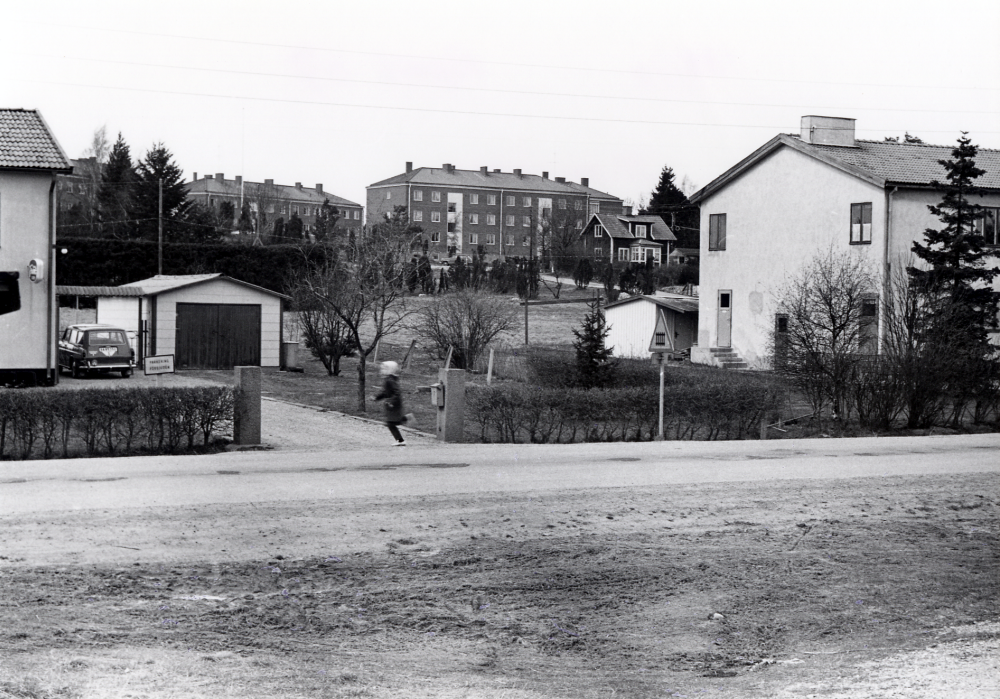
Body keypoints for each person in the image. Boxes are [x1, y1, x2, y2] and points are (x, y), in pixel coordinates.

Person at [373, 361, 407, 446]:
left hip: (393, 404)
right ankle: (406, 418)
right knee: (392, 421)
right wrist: (377, 397)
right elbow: (385, 392)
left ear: (390, 370)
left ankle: (400, 440)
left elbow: (397, 392)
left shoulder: (390, 380)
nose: (382, 370)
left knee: (390, 423)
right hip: (391, 404)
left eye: (384, 368)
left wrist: (391, 401)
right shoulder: (388, 379)